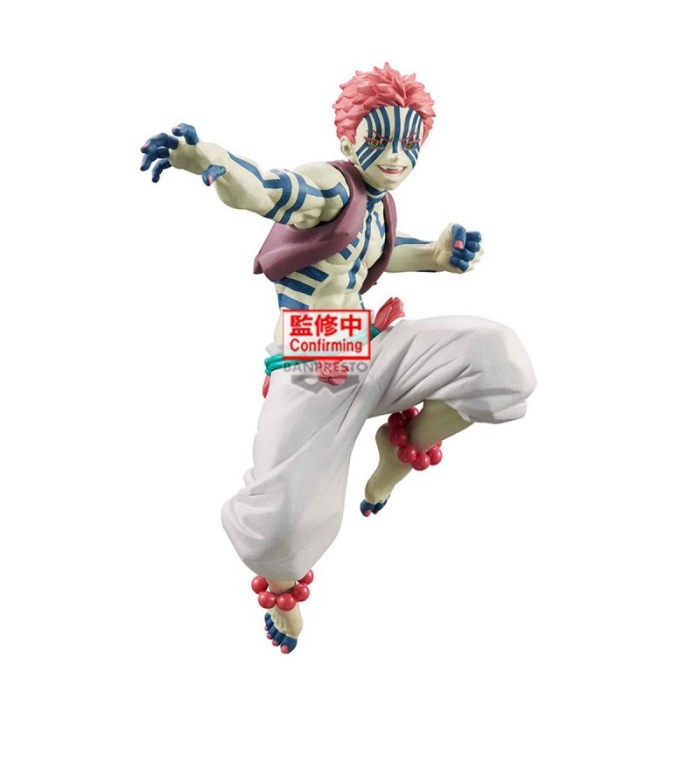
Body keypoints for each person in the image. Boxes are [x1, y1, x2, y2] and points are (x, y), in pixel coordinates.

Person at [140, 63, 536, 654]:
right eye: (381, 141)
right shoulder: (329, 185)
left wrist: (436, 254)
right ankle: (283, 591)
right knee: (279, 524)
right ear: (350, 142)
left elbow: (376, 255)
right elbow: (266, 190)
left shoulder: (377, 205)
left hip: (368, 343)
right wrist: (208, 158)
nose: (397, 157)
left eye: (409, 144)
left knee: (498, 359)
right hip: (309, 361)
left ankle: (397, 454)